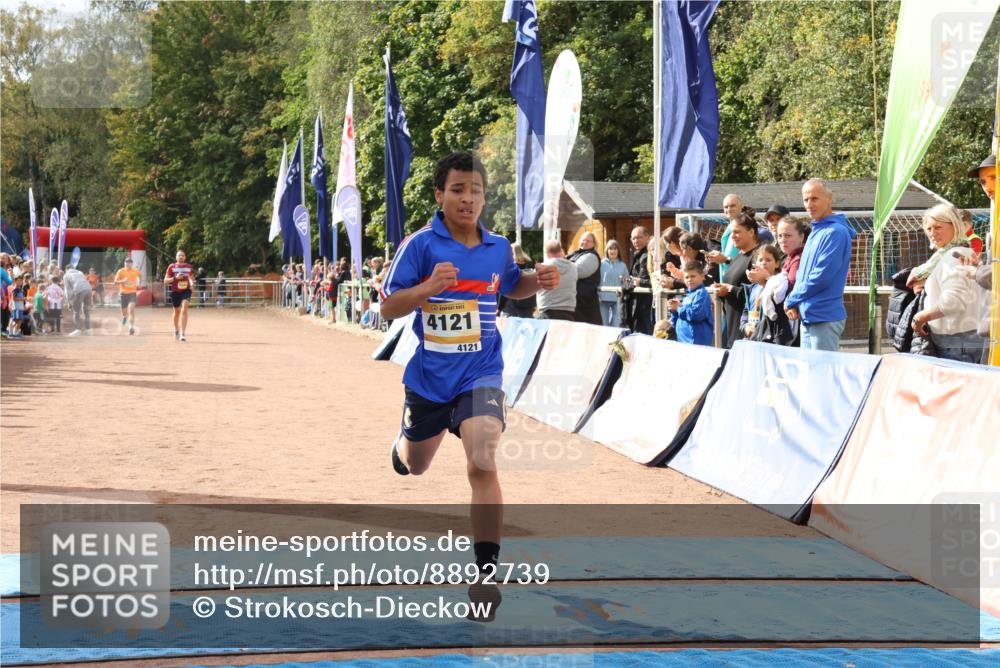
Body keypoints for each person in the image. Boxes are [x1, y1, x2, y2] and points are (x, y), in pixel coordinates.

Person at [378, 151, 559, 621]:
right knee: (417, 465)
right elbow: (388, 307)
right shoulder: (420, 245)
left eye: (476, 190)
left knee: (482, 457)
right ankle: (402, 446)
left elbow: (508, 285)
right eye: (458, 190)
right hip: (429, 380)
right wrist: (427, 289)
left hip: (482, 371)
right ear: (440, 195)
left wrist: (535, 281)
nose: (468, 199)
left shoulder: (497, 247)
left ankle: (485, 574)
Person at [784, 179, 855, 352]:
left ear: (829, 198)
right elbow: (804, 275)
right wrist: (796, 301)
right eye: (806, 200)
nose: (809, 204)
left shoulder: (835, 232)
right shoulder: (818, 230)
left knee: (823, 376)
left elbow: (821, 277)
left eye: (814, 198)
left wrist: (792, 299)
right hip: (810, 316)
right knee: (811, 376)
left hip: (824, 317)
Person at [909, 204, 986, 363]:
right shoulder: (963, 252)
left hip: (955, 344)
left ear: (955, 226)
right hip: (966, 340)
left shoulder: (951, 256)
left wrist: (920, 318)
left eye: (938, 227)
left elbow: (953, 302)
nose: (932, 233)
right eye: (929, 228)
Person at [714, 210, 761, 349]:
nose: (733, 236)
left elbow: (758, 294)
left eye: (737, 232)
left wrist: (730, 289)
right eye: (731, 233)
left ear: (751, 232)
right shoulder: (737, 258)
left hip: (747, 330)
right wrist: (722, 290)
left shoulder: (757, 258)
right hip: (732, 325)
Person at [668, 260, 713, 346]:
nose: (689, 280)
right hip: (684, 341)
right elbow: (679, 318)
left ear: (702, 276)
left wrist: (678, 308)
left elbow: (696, 314)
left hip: (695, 342)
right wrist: (674, 310)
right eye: (686, 277)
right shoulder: (689, 295)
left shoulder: (701, 294)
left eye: (693, 276)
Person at [535, 240, 578, 321]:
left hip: (547, 311)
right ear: (560, 250)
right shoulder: (573, 267)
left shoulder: (542, 268)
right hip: (568, 312)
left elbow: (534, 288)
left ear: (547, 253)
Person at [566, 232, 602, 325]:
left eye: (588, 241)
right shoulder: (576, 254)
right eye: (583, 240)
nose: (585, 242)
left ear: (594, 244)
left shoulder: (591, 256)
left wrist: (561, 266)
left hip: (585, 306)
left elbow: (577, 271)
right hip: (576, 304)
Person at [626, 226, 653, 334]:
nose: (636, 241)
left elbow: (646, 280)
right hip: (639, 303)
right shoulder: (638, 255)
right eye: (633, 238)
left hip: (648, 304)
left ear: (647, 237)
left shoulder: (647, 255)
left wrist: (637, 281)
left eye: (639, 237)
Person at [497, 244, 536, 318]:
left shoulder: (510, 267)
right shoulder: (531, 265)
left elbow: (505, 289)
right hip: (528, 306)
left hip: (511, 306)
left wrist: (499, 308)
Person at [164, 249, 194, 340]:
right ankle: (177, 329)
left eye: (183, 255)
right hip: (175, 291)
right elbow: (165, 281)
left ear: (185, 257)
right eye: (179, 255)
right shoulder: (171, 267)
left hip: (186, 290)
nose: (181, 257)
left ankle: (183, 333)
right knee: (177, 311)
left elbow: (191, 277)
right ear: (176, 257)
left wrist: (192, 283)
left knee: (184, 309)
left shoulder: (189, 266)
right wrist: (175, 278)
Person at [599, 239, 629, 326]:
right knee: (604, 325)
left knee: (616, 325)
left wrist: (624, 291)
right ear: (607, 251)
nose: (612, 251)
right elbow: (597, 281)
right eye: (610, 248)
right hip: (603, 299)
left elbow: (626, 281)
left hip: (617, 299)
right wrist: (597, 295)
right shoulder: (601, 264)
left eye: (615, 248)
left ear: (618, 251)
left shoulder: (622, 265)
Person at [776, 216, 809, 293]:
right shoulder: (791, 256)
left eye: (787, 236)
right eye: (780, 236)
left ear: (801, 237)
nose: (782, 240)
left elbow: (789, 289)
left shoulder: (798, 259)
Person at [114, 256, 142, 335]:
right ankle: (125, 317)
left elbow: (140, 276)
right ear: (124, 263)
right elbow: (115, 281)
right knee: (124, 312)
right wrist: (123, 280)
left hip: (132, 293)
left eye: (129, 263)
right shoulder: (121, 271)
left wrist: (139, 281)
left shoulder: (136, 271)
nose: (128, 264)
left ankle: (131, 327)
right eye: (126, 263)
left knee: (131, 310)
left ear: (132, 264)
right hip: (123, 293)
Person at [63, 264, 92, 336]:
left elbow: (67, 290)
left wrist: (69, 302)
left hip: (79, 291)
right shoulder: (80, 272)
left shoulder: (66, 275)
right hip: (89, 289)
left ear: (66, 269)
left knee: (76, 312)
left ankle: (77, 330)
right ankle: (88, 330)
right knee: (87, 311)